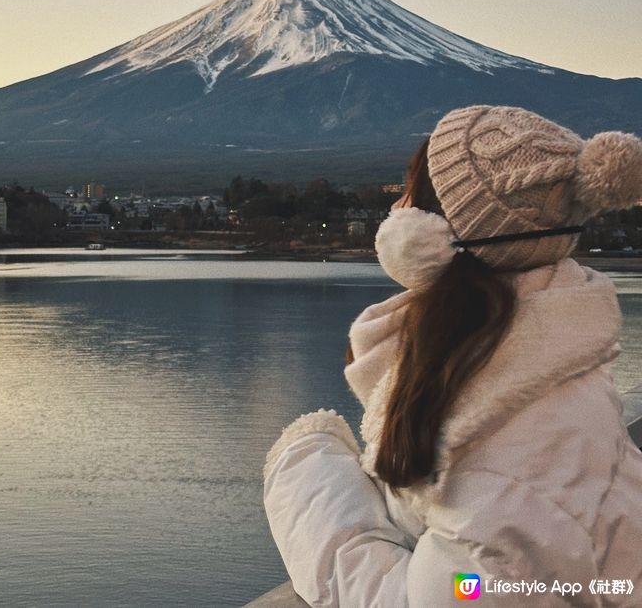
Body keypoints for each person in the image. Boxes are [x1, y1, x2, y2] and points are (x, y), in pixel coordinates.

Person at [263, 105, 642, 608]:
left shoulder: (504, 463)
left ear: (431, 237)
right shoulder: (554, 371)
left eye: (409, 195)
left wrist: (307, 470)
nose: (396, 209)